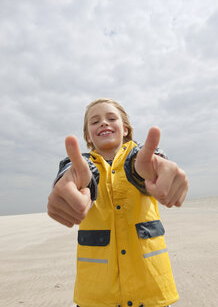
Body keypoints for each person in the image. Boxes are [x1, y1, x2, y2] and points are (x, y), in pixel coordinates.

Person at [47, 98, 188, 307]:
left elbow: (141, 167)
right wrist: (70, 180)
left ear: (125, 130)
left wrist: (153, 170)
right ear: (88, 136)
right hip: (97, 295)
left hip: (150, 289)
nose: (103, 123)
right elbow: (79, 173)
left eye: (111, 118)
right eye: (95, 122)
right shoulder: (82, 164)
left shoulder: (141, 158)